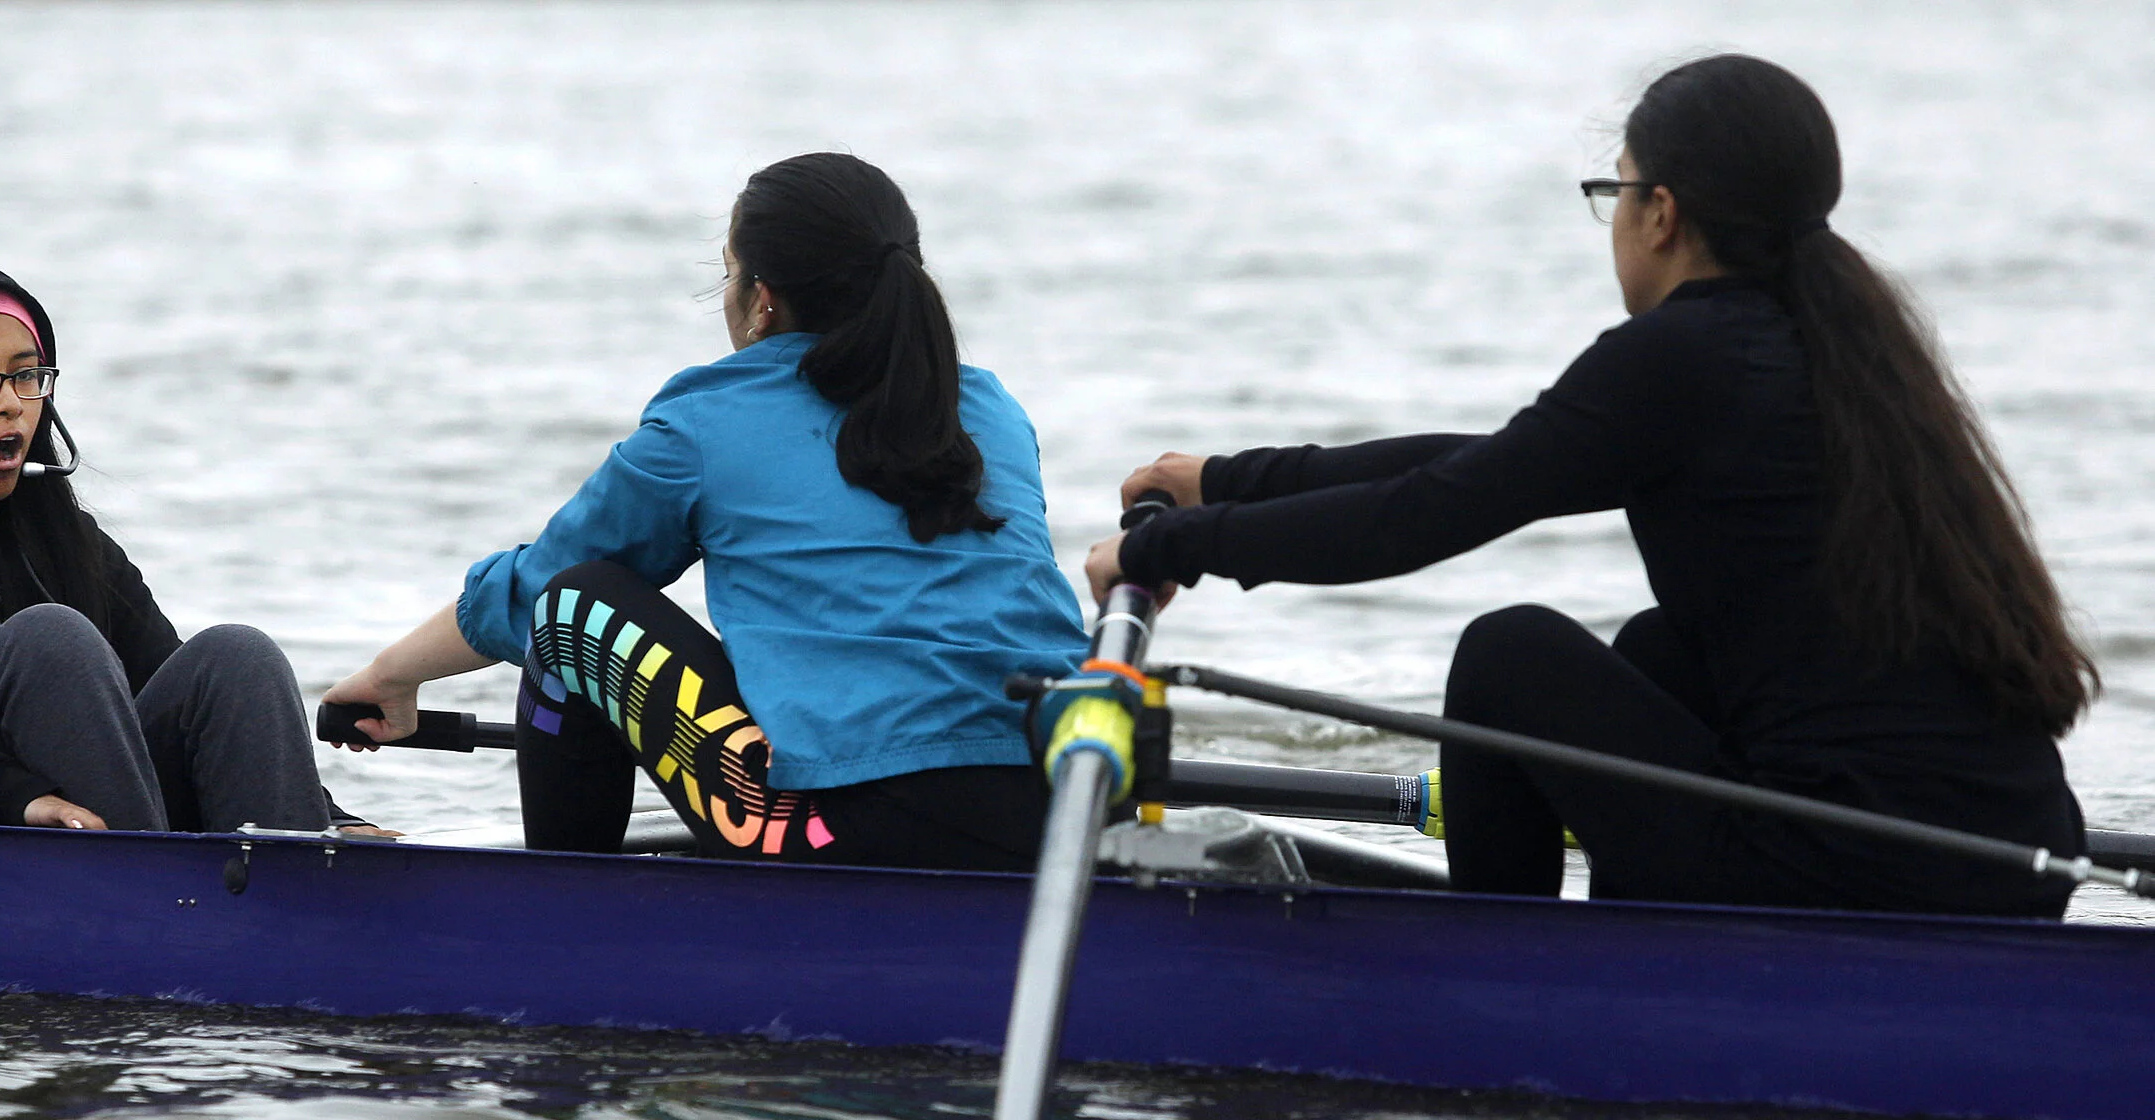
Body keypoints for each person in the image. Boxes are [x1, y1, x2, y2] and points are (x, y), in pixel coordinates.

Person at [1089, 54, 2093, 916]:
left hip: (1858, 866)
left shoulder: (1684, 355)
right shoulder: (1841, 353)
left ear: (1661, 213)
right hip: (2015, 855)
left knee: (1509, 654)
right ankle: (1625, 951)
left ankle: (1506, 976)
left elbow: (1420, 517)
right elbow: (1492, 461)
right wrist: (1226, 482)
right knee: (1658, 652)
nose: (1612, 220)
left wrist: (1160, 549)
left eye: (1614, 193)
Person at [326, 153, 1086, 870]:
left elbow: (537, 586)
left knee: (572, 615)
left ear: (761, 301)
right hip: (1057, 814)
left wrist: (390, 676)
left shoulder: (707, 425)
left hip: (837, 837)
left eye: (727, 274)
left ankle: (565, 923)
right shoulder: (991, 410)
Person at [0, 250, 375, 836]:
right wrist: (15, 798)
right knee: (50, 640)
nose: (11, 407)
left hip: (54, 817)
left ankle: (298, 869)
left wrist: (328, 814)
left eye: (27, 376)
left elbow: (171, 683)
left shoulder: (57, 528)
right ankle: (147, 907)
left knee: (235, 658)